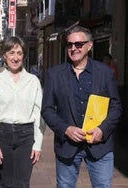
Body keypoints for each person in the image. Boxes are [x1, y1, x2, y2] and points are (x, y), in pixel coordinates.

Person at [41, 26, 122, 188]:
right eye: (70, 45)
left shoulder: (105, 73)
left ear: (89, 46)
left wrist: (102, 130)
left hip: (100, 147)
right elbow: (47, 110)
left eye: (78, 44)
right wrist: (65, 129)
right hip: (67, 147)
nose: (73, 48)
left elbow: (116, 107)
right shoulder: (54, 74)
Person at [0, 36, 45, 187]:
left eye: (19, 53)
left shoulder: (33, 81)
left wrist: (38, 144)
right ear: (4, 55)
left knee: (23, 183)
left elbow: (39, 115)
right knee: (6, 183)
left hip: (26, 136)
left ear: (23, 55)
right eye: (11, 53)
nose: (15, 58)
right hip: (2, 134)